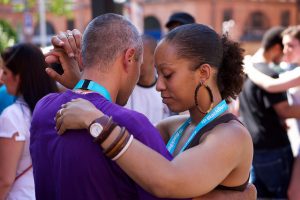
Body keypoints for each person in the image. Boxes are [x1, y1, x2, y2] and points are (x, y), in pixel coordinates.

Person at [52, 22, 253, 198]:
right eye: (158, 74)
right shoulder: (172, 127)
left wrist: (95, 122)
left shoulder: (232, 136)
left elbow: (168, 181)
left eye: (168, 74)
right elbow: (124, 170)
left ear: (203, 73)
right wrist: (84, 83)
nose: (159, 85)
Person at [243, 25, 300, 200]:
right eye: (284, 45)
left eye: (291, 45)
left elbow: (270, 85)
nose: (285, 50)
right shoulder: (292, 71)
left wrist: (249, 67)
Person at [0, 43, 58, 199]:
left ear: (18, 77)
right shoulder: (56, 110)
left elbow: (5, 180)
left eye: (5, 72)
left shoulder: (12, 116)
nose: (2, 78)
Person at [125, 34, 170, 125]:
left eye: (139, 55)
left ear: (154, 58)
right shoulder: (125, 91)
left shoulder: (166, 91)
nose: (134, 60)